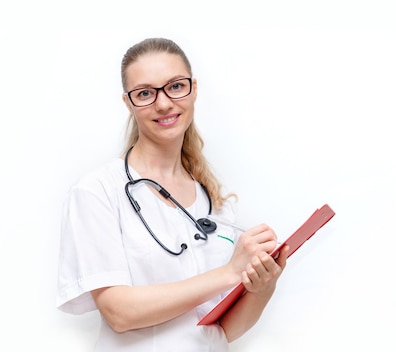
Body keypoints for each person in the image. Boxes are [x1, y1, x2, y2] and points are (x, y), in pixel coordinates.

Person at [56, 37, 289, 351]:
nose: (163, 103)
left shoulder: (213, 202)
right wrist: (230, 271)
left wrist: (262, 286)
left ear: (193, 88)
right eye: (145, 93)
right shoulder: (97, 191)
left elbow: (222, 330)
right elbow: (119, 312)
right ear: (128, 102)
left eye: (175, 86)